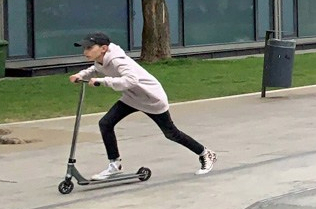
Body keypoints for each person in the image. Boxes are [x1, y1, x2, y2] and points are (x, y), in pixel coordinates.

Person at [68, 32, 216, 179]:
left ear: (104, 48)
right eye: (85, 48)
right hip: (132, 97)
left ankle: (205, 153)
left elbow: (131, 80)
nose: (85, 52)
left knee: (171, 133)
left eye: (89, 48)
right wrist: (81, 75)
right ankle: (115, 164)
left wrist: (103, 81)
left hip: (151, 98)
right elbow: (95, 69)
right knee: (105, 123)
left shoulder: (118, 61)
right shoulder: (101, 60)